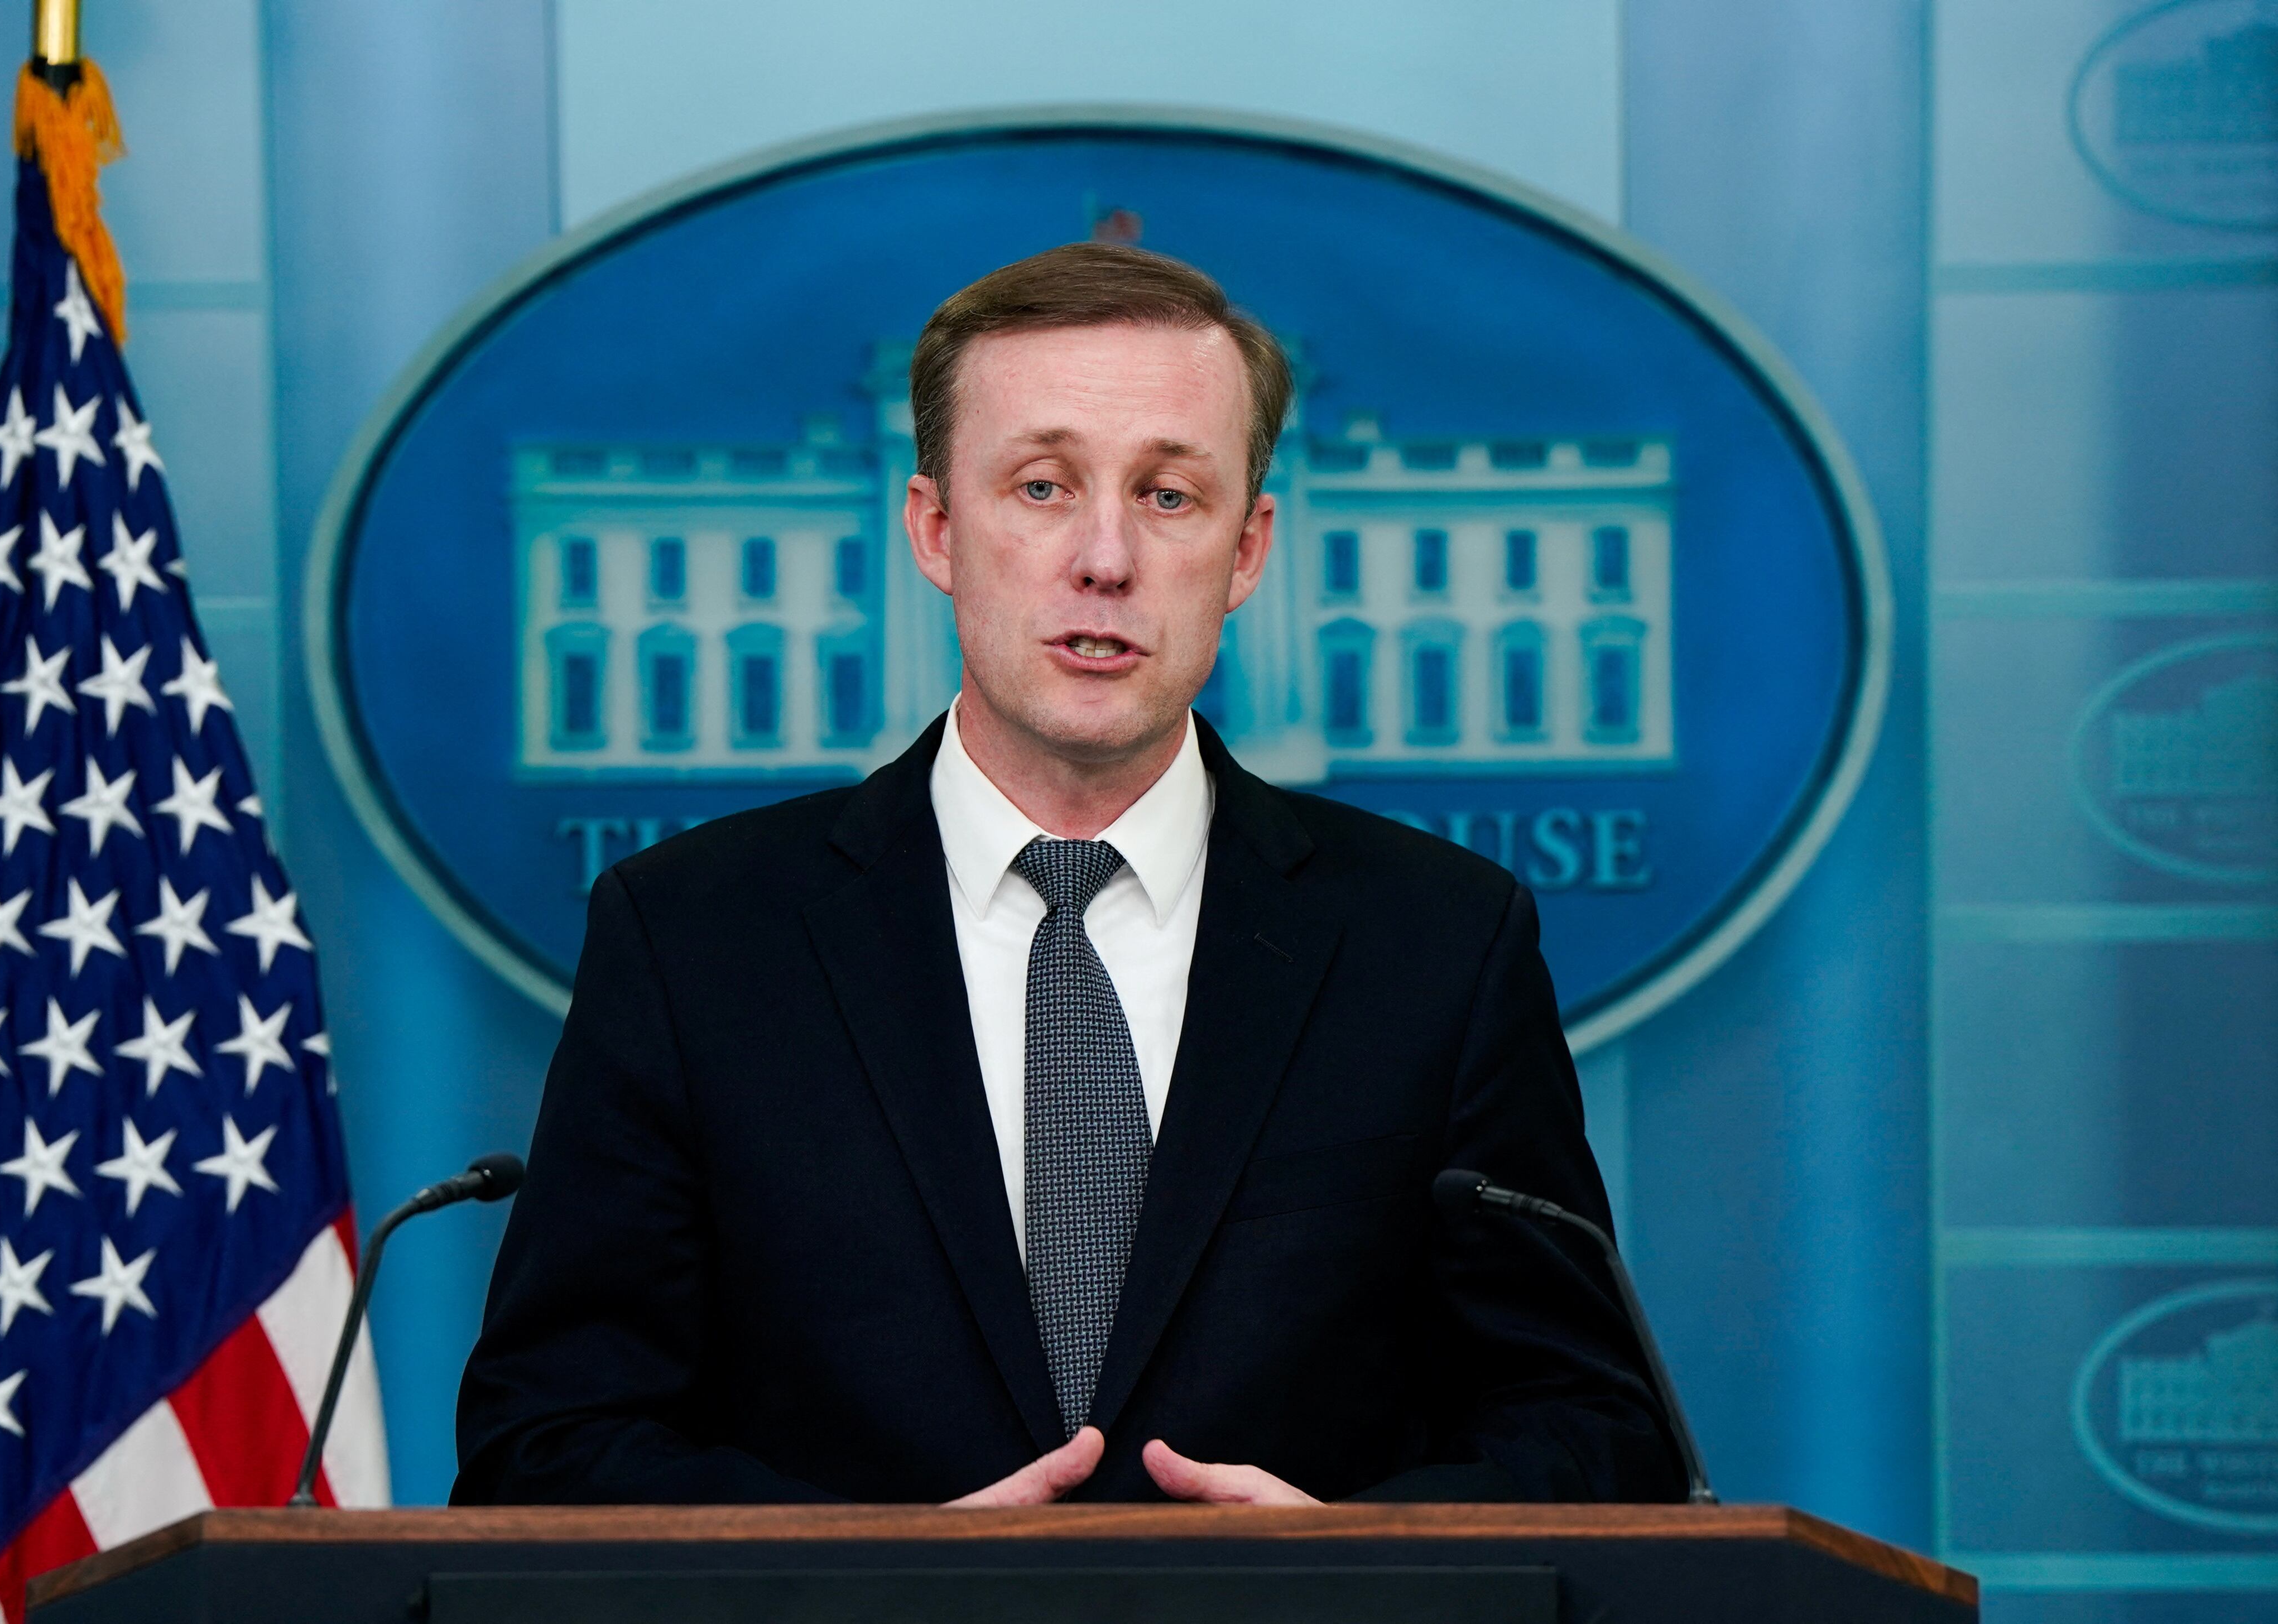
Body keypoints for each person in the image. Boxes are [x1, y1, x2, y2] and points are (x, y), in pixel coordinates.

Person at [453, 243, 1683, 1506]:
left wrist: (1349, 1559)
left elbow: (1592, 1427)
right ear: (935, 530)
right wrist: (871, 1580)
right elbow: (542, 1443)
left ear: (1247, 548)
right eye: (1041, 488)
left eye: (1166, 497)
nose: (1104, 559)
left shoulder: (1437, 943)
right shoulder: (695, 939)